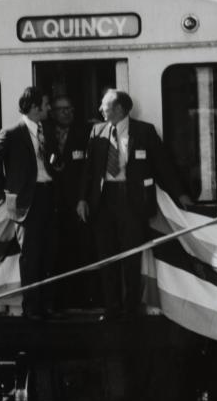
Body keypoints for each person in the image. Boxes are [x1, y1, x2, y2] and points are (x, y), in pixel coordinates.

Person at [76, 89, 192, 317]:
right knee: (107, 255)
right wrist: (81, 199)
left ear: (119, 109)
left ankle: (130, 307)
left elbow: (163, 166)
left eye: (104, 105)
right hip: (103, 201)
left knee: (131, 255)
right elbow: (87, 170)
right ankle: (112, 307)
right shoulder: (96, 131)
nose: (100, 109)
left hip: (132, 201)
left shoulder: (144, 131)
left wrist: (180, 195)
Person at [0, 87, 58, 319]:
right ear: (34, 107)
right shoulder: (12, 133)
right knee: (31, 256)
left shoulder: (47, 131)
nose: (49, 108)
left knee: (49, 254)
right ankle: (32, 309)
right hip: (27, 203)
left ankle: (47, 306)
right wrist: (8, 189)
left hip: (48, 197)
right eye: (46, 104)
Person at [47, 95, 93, 308]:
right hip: (52, 203)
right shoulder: (44, 134)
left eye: (70, 109)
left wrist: (82, 198)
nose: (67, 113)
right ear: (52, 112)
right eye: (61, 109)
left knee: (79, 251)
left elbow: (87, 169)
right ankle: (58, 301)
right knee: (55, 253)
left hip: (77, 203)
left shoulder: (85, 134)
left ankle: (81, 299)